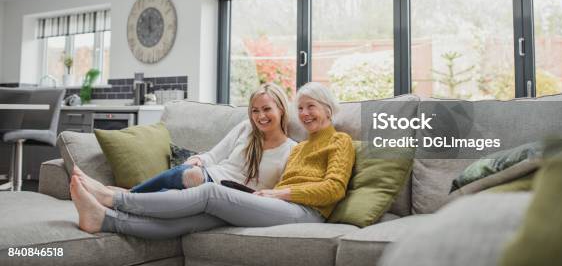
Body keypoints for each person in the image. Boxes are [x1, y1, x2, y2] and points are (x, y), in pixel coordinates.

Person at [70, 82, 355, 239]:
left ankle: (115, 200)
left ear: (328, 109)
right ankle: (105, 221)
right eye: (301, 108)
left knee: (209, 191)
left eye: (311, 107)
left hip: (304, 211)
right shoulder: (303, 147)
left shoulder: (339, 141)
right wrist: (273, 194)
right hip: (277, 203)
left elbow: (334, 189)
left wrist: (280, 192)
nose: (304, 114)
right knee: (196, 220)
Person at [127, 82, 296, 193]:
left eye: (267, 109)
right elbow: (213, 156)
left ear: (281, 109)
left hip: (236, 196)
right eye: (255, 110)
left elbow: (281, 190)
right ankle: (127, 196)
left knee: (185, 182)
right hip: (213, 177)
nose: (261, 116)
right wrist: (199, 160)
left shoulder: (291, 150)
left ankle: (125, 195)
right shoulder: (247, 128)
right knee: (177, 185)